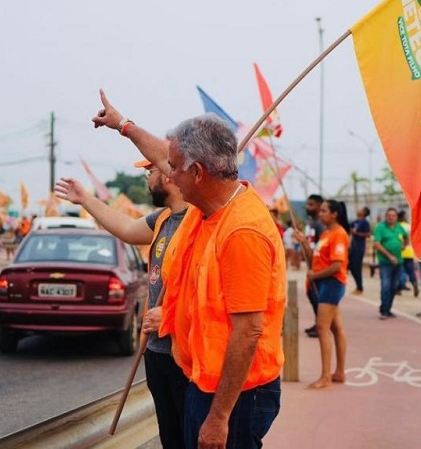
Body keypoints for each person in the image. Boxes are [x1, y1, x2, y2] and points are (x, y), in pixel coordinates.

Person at [93, 91, 285, 448]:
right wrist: (124, 126)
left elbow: (248, 331)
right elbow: (162, 156)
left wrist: (218, 418)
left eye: (174, 169)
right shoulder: (206, 207)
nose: (168, 175)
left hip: (236, 395)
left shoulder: (242, 231)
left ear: (197, 172)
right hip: (202, 378)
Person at [54, 157, 190, 447]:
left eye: (149, 171)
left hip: (186, 357)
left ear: (167, 175)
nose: (146, 178)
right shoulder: (162, 219)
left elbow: (210, 291)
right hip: (156, 351)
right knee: (171, 438)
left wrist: (170, 314)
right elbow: (127, 230)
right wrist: (85, 199)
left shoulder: (201, 221)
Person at [297, 200, 349, 389]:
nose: (321, 213)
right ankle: (339, 372)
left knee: (322, 328)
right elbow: (315, 259)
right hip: (324, 283)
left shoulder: (339, 234)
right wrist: (304, 243)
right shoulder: (326, 233)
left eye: (324, 211)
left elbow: (337, 265)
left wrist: (314, 275)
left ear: (334, 214)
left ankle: (326, 377)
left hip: (332, 284)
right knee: (336, 328)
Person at [373, 207, 408, 319]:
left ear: (396, 217)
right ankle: (384, 311)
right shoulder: (380, 227)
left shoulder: (399, 227)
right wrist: (389, 256)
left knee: (394, 286)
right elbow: (377, 244)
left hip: (398, 261)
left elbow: (407, 237)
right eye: (389, 215)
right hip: (385, 262)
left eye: (393, 216)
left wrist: (404, 245)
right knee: (386, 285)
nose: (391, 217)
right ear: (385, 216)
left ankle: (387, 308)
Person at [303, 194, 325, 338]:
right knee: (311, 295)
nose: (308, 207)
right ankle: (318, 322)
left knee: (317, 297)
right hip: (311, 266)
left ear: (318, 205)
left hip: (319, 267)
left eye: (311, 205)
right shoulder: (310, 223)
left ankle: (322, 325)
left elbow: (320, 249)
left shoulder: (320, 225)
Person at [348, 207, 371, 294]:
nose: (358, 210)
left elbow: (368, 234)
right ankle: (358, 286)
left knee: (356, 267)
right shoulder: (355, 222)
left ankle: (360, 287)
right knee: (352, 267)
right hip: (352, 247)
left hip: (359, 248)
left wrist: (357, 234)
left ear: (364, 212)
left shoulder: (365, 223)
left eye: (361, 209)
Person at [397, 210, 419, 297]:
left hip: (401, 252)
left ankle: (399, 288)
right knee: (411, 271)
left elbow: (399, 240)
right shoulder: (409, 226)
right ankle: (414, 282)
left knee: (401, 271)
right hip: (410, 251)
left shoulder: (398, 227)